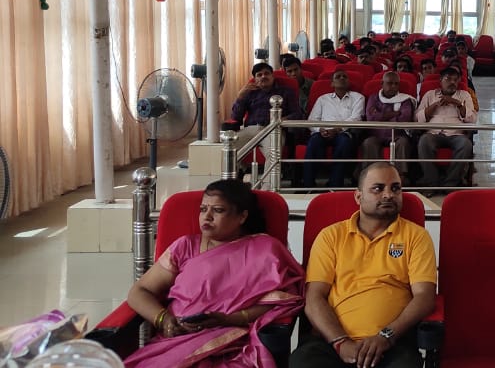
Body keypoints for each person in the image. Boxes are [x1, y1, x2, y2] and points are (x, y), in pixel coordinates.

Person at [124, 180, 304, 367]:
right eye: (203, 209)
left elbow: (283, 299)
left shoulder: (265, 249)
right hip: (175, 341)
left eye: (218, 210)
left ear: (242, 217)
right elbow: (139, 291)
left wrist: (229, 319)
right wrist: (163, 319)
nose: (207, 217)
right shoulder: (185, 247)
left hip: (233, 343)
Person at [291, 163, 437, 368]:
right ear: (358, 197)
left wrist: (386, 336)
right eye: (378, 188)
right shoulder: (331, 236)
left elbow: (425, 297)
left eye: (395, 188)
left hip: (392, 344)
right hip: (331, 343)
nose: (388, 195)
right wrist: (340, 342)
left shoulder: (416, 237)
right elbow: (314, 296)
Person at [414, 67, 476, 187]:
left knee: (465, 144)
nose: (452, 82)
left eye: (455, 80)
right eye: (448, 79)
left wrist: (457, 104)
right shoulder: (430, 94)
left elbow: (472, 119)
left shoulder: (464, 95)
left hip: (456, 133)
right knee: (424, 141)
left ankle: (450, 183)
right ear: (441, 80)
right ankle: (432, 181)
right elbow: (417, 118)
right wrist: (435, 105)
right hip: (433, 132)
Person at [303, 71, 365, 189]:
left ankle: (335, 184)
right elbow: (312, 119)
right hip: (323, 132)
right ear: (332, 83)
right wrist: (320, 129)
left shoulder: (358, 97)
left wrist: (337, 129)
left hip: (344, 132)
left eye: (344, 76)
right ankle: (308, 185)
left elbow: (356, 118)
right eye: (338, 77)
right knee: (313, 142)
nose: (342, 78)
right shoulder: (323, 99)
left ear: (348, 82)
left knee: (344, 143)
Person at [229, 63, 302, 158]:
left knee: (273, 155)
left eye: (266, 73)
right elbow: (236, 117)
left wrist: (282, 120)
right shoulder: (250, 92)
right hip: (251, 129)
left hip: (273, 129)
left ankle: (270, 170)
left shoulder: (286, 92)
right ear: (255, 79)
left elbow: (297, 114)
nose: (263, 76)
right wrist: (240, 97)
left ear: (272, 76)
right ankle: (238, 168)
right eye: (259, 75)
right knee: (228, 149)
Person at [361, 73, 414, 178]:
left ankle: (399, 176)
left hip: (397, 135)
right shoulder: (373, 98)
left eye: (396, 84)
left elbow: (404, 119)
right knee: (369, 143)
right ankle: (372, 176)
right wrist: (395, 114)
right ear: (382, 83)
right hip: (376, 134)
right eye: (390, 83)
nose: (393, 86)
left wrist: (380, 115)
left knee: (403, 142)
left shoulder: (405, 99)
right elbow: (371, 118)